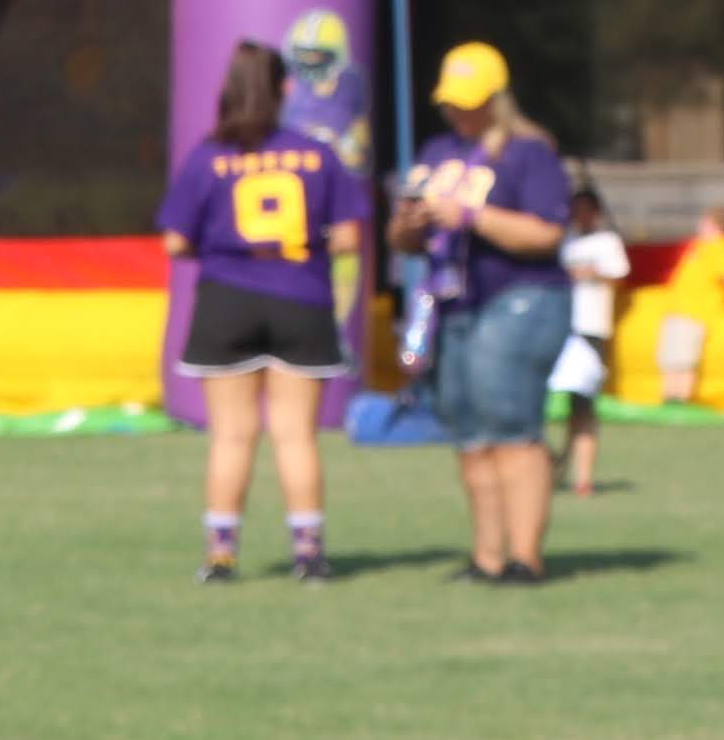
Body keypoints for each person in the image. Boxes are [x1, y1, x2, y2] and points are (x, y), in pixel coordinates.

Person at [162, 37, 369, 584]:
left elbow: (174, 243)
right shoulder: (317, 153)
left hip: (227, 299)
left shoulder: (209, 157)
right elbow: (349, 239)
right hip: (301, 296)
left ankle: (221, 556)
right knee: (296, 434)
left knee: (231, 435)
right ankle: (309, 554)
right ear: (284, 89)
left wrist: (222, 247)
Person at [394, 40, 573, 585]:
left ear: (497, 99)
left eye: (469, 101)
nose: (457, 111)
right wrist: (411, 222)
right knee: (468, 430)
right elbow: (401, 240)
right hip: (455, 303)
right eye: (451, 101)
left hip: (520, 298)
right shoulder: (435, 151)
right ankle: (486, 557)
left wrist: (471, 216)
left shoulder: (529, 153)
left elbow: (546, 232)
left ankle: (525, 557)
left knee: (511, 424)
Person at [549, 179, 629, 495]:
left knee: (583, 405)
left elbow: (619, 275)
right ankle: (550, 465)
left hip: (590, 329)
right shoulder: (561, 240)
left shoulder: (607, 242)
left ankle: (582, 477)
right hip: (557, 326)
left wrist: (589, 273)